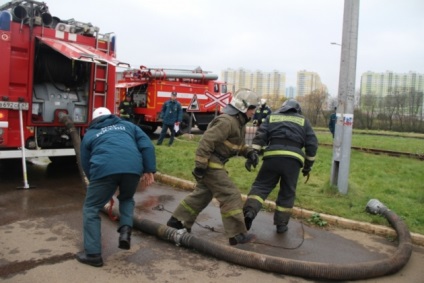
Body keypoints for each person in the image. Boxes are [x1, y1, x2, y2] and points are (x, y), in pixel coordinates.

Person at [166, 89, 260, 245]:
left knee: (203, 194)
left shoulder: (238, 123)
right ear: (243, 107)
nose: (254, 112)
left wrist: (249, 153)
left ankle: (177, 221)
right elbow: (206, 142)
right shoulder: (226, 121)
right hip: (211, 163)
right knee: (230, 194)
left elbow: (236, 145)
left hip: (216, 162)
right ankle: (237, 234)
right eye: (252, 108)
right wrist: (200, 165)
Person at [76, 107, 156, 267]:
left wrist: (96, 184)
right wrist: (149, 169)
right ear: (111, 116)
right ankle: (125, 232)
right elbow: (147, 145)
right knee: (126, 198)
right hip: (133, 168)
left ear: (94, 120)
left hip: (103, 169)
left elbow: (85, 161)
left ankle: (93, 254)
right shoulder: (128, 126)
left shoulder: (90, 134)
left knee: (91, 208)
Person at [243, 99, 318, 234]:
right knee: (287, 192)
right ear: (297, 110)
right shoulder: (304, 121)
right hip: (293, 162)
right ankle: (281, 225)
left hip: (272, 158)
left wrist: (252, 155)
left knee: (261, 187)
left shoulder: (272, 117)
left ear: (282, 108)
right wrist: (307, 166)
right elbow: (312, 145)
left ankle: (249, 213)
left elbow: (260, 137)